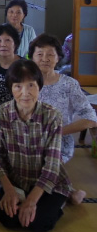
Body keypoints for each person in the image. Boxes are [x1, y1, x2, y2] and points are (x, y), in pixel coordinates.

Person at [0, 59, 82, 232]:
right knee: (9, 220)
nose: (25, 93)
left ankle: (65, 196)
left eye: (31, 85)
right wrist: (8, 190)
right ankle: (62, 197)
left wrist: (31, 201)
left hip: (48, 183)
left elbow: (53, 165)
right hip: (16, 180)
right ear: (11, 88)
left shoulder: (52, 116)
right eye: (18, 86)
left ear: (40, 86)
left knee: (39, 223)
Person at [30, 34, 97, 163]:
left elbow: (91, 118)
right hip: (28, 141)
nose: (45, 58)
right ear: (32, 57)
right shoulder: (25, 83)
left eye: (50, 54)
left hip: (58, 144)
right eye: (39, 54)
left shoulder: (69, 84)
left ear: (58, 58)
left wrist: (58, 132)